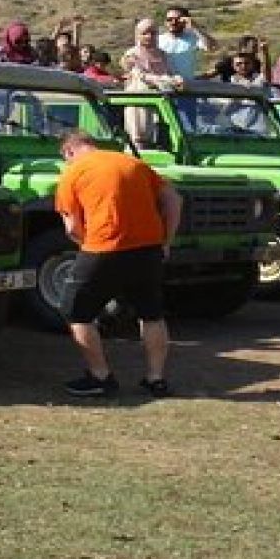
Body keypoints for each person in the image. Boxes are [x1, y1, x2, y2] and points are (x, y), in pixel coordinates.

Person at [52, 131, 181, 398]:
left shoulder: (72, 173)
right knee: (151, 312)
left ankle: (100, 375)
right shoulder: (133, 163)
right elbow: (174, 199)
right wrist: (166, 240)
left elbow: (72, 227)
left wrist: (86, 244)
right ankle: (155, 377)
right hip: (148, 249)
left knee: (75, 310)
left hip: (103, 247)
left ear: (69, 152)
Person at [157, 6, 217, 78]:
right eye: (169, 19)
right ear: (165, 22)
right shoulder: (158, 39)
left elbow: (212, 47)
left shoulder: (193, 38)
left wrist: (194, 27)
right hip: (164, 84)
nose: (173, 22)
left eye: (177, 19)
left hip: (187, 84)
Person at [120, 19, 176, 89]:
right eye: (144, 33)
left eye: (153, 33)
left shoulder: (163, 54)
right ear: (138, 35)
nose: (149, 36)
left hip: (164, 93)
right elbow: (137, 73)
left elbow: (170, 73)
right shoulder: (131, 54)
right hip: (140, 95)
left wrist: (175, 79)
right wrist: (155, 79)